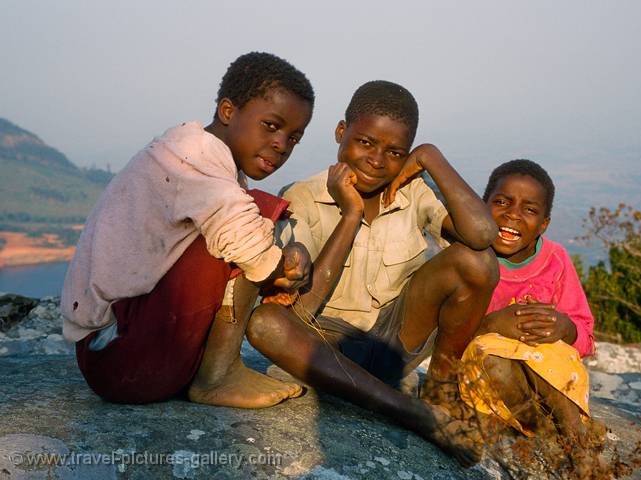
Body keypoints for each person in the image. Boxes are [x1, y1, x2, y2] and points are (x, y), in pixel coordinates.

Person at [246, 80, 499, 464]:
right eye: (365, 142)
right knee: (265, 324)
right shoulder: (302, 198)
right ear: (340, 132)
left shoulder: (413, 192)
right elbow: (299, 315)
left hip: (393, 343)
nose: (377, 160)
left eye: (395, 152)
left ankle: (439, 392)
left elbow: (482, 235)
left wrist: (430, 157)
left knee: (477, 262)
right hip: (327, 347)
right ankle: (412, 413)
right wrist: (349, 215)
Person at [61, 52, 314, 409]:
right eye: (271, 126)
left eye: (294, 138)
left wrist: (277, 264)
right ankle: (217, 377)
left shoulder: (199, 155)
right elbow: (250, 249)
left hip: (116, 351)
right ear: (228, 112)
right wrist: (285, 262)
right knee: (256, 213)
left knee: (249, 216)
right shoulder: (195, 156)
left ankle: (212, 371)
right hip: (121, 357)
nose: (281, 144)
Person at [457, 159, 596, 461]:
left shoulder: (555, 260)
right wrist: (490, 324)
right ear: (483, 206)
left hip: (552, 378)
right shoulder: (467, 259)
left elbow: (586, 337)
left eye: (529, 210)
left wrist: (564, 328)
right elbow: (446, 336)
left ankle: (575, 441)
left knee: (549, 354)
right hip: (494, 383)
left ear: (544, 224)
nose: (512, 215)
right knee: (490, 354)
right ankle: (546, 432)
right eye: (502, 202)